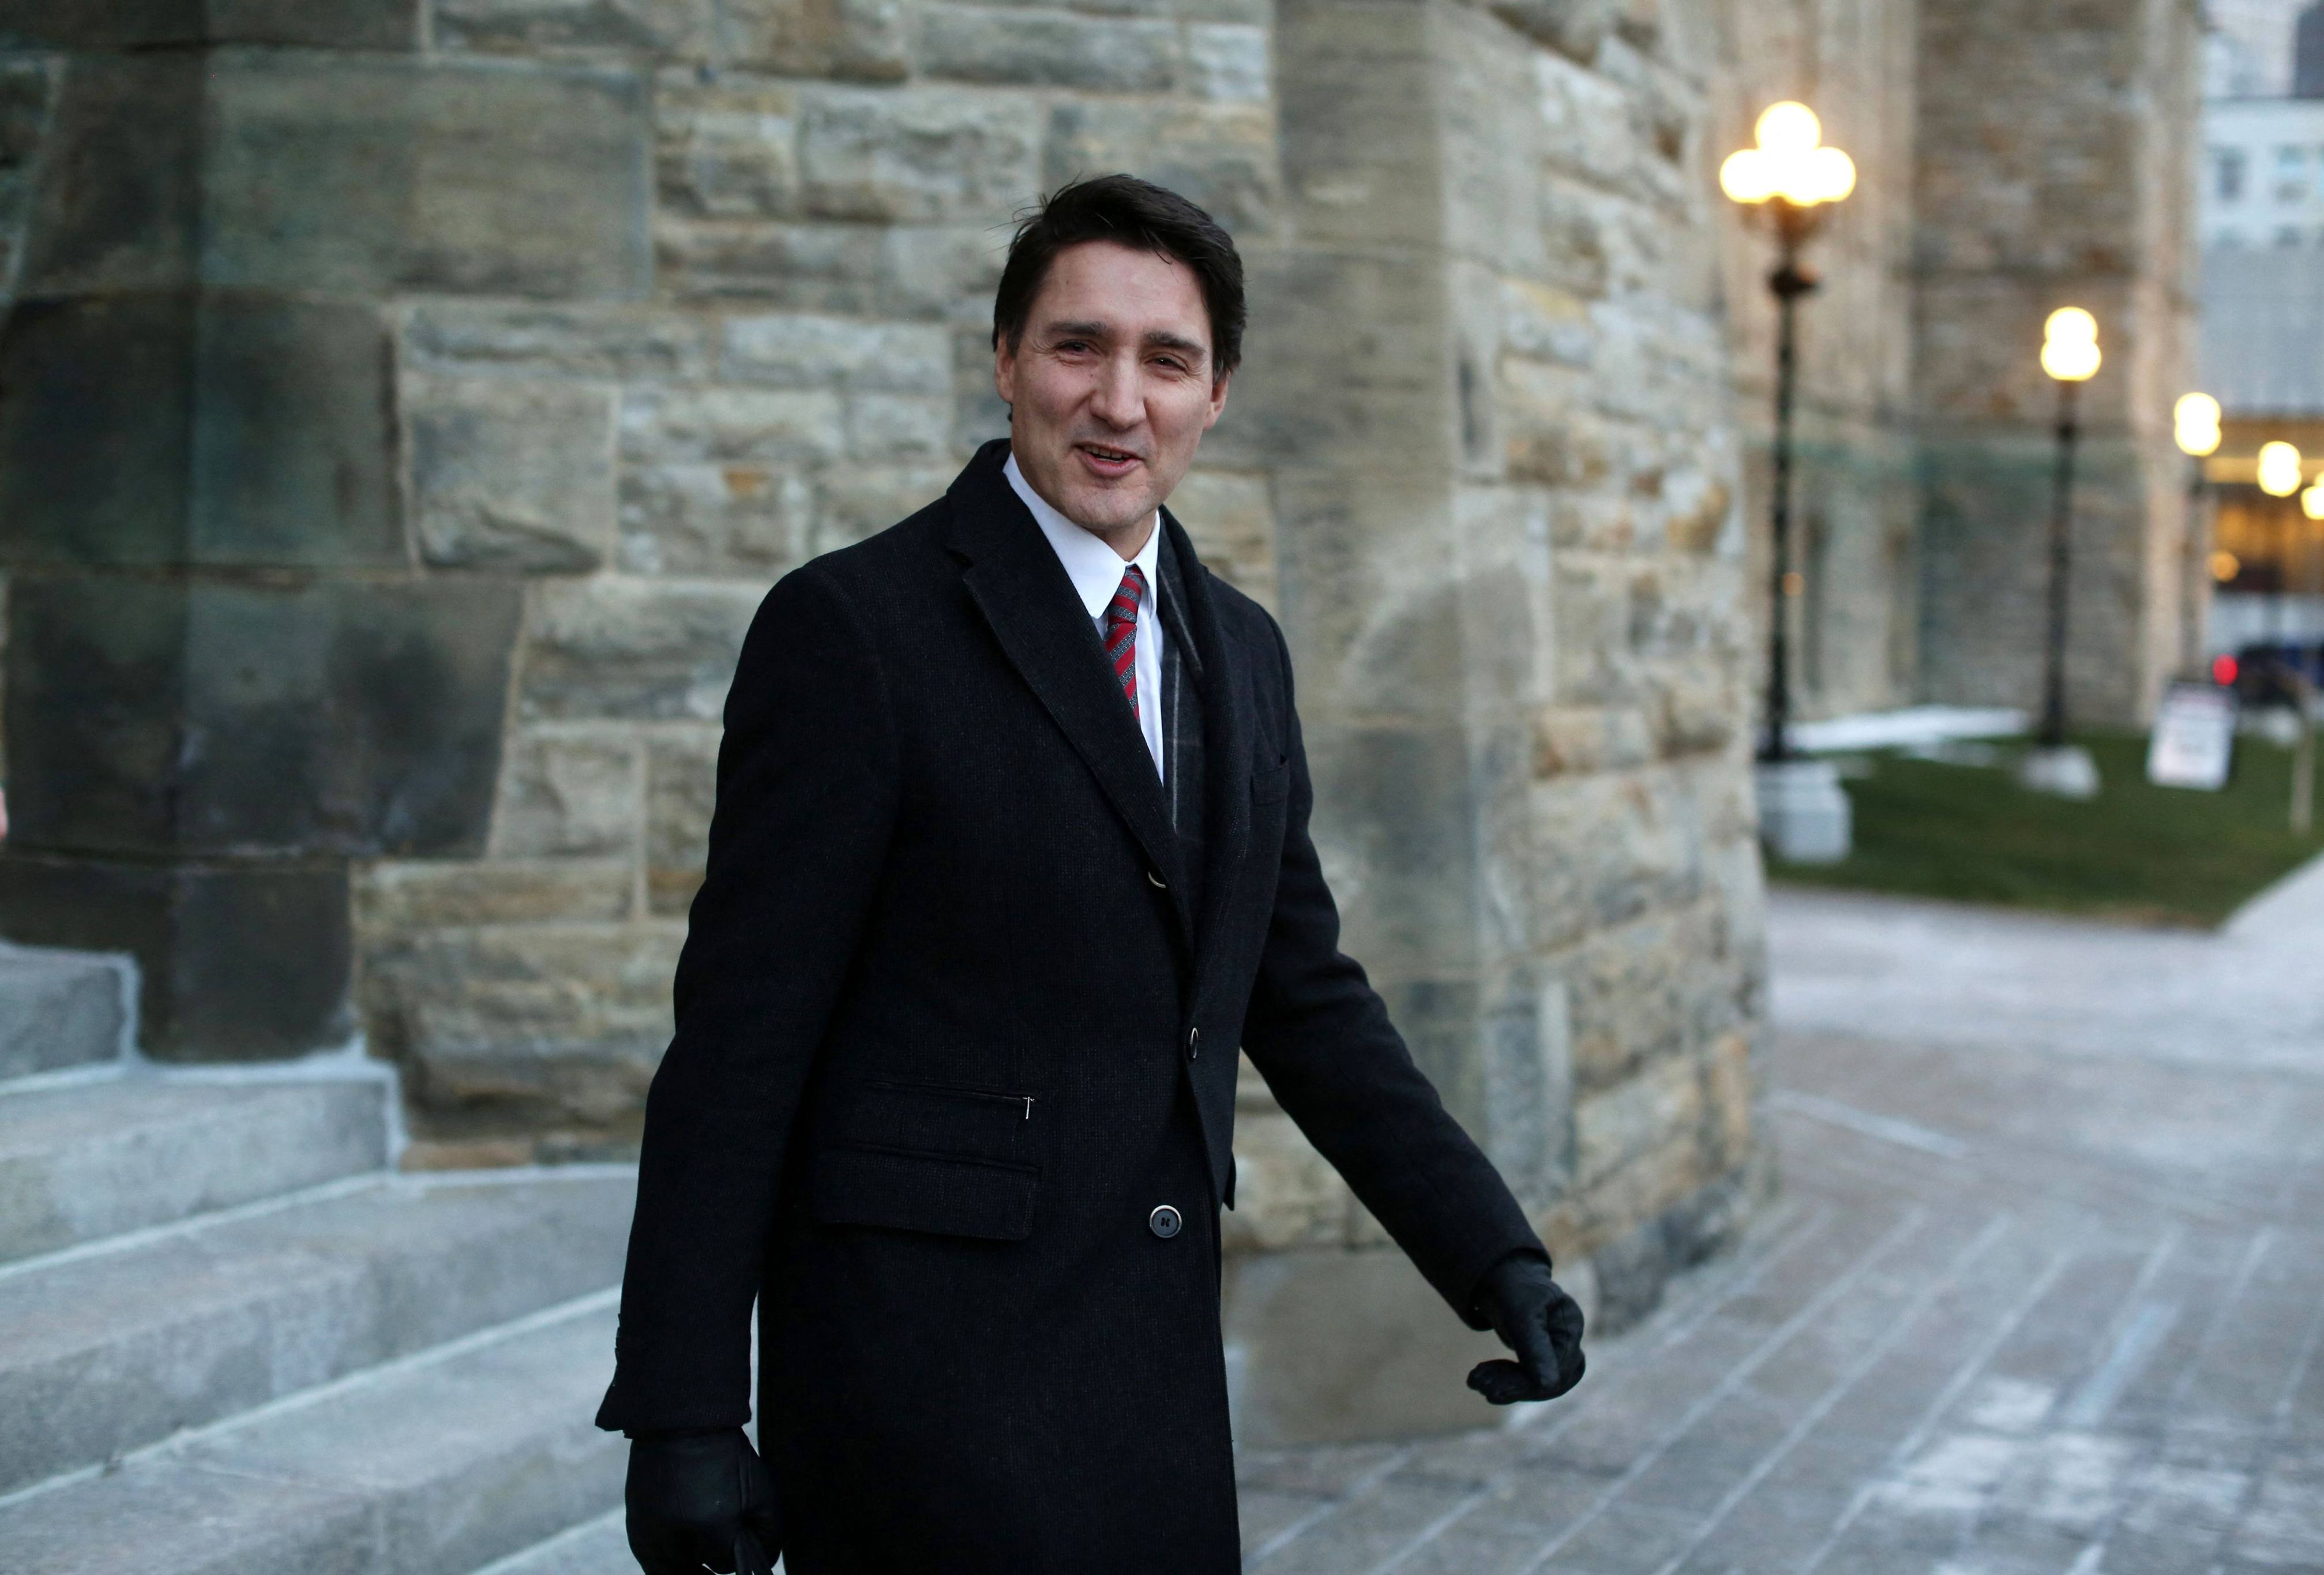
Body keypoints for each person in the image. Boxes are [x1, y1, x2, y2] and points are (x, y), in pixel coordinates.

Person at [598, 173, 1586, 1575]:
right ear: (1005, 361)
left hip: (1151, 1383)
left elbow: (1299, 994)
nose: (1118, 400)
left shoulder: (1238, 649)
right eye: (1078, 347)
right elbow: (738, 1044)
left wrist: (1490, 1257)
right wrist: (681, 1410)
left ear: (1215, 394)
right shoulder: (853, 631)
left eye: (1164, 360)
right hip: (919, 1390)